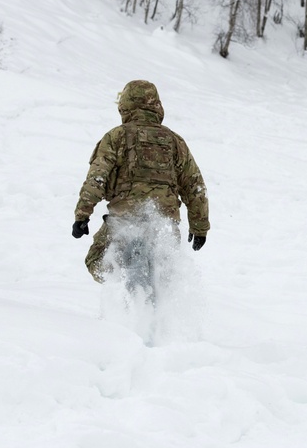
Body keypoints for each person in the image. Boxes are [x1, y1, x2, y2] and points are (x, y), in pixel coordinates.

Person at [72, 80, 209, 290]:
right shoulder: (174, 141)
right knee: (165, 276)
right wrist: (199, 228)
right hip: (164, 224)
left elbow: (97, 177)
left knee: (97, 260)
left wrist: (82, 215)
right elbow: (194, 185)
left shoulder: (116, 136)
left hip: (125, 220)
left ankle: (125, 290)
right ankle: (162, 304)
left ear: (126, 105)